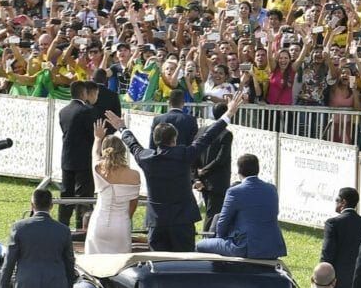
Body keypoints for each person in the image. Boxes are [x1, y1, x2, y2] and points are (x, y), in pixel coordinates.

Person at [105, 93, 244, 252]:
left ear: (155, 140)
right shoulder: (185, 154)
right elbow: (207, 137)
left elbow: (132, 144)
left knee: (158, 266)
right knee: (184, 266)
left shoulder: (146, 158)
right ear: (175, 139)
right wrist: (228, 114)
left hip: (157, 221)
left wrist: (122, 127)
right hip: (182, 220)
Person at [196, 154, 286, 259]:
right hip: (272, 246)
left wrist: (219, 238)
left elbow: (223, 222)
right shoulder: (272, 189)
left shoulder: (234, 191)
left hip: (246, 247)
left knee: (199, 245)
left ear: (239, 171)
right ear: (258, 169)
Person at [85, 120, 141, 253]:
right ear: (123, 151)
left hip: (99, 222)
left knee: (94, 264)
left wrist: (97, 139)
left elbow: (94, 154)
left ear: (105, 151)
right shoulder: (134, 175)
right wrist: (125, 218)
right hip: (121, 225)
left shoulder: (98, 168)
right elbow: (133, 204)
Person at [57, 80, 99, 228]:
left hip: (67, 157)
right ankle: (81, 227)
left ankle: (62, 224)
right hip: (84, 158)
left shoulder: (63, 111)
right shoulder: (87, 111)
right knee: (83, 195)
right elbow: (92, 134)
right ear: (84, 93)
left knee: (66, 194)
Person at [193, 102, 232, 232]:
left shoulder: (201, 130)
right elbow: (220, 159)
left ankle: (208, 238)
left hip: (203, 180)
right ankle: (207, 240)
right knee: (213, 213)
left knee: (211, 211)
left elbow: (194, 155)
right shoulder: (226, 134)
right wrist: (203, 172)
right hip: (217, 181)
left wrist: (197, 176)